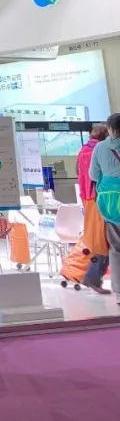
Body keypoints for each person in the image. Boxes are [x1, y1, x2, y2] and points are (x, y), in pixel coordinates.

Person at [89, 113, 120, 301]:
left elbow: (93, 175)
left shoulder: (100, 147)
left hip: (110, 201)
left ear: (109, 128)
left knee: (116, 248)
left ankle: (119, 292)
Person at [77, 124, 111, 294]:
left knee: (98, 240)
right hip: (101, 198)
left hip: (88, 199)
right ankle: (92, 277)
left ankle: (92, 277)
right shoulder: (99, 151)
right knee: (104, 240)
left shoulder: (83, 151)